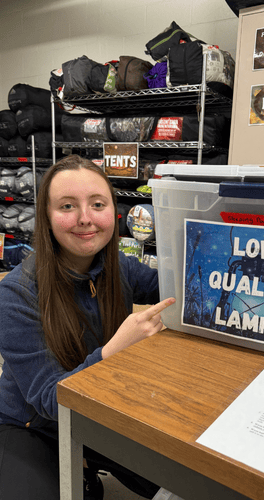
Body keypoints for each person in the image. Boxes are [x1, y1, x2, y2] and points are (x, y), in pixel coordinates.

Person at [0, 154, 175, 500]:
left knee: (184, 479)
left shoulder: (117, 266)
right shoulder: (15, 294)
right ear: (47, 219)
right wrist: (114, 351)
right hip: (33, 425)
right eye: (67, 206)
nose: (85, 219)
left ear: (114, 212)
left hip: (100, 408)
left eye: (98, 204)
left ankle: (84, 469)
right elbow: (50, 399)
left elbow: (168, 287)